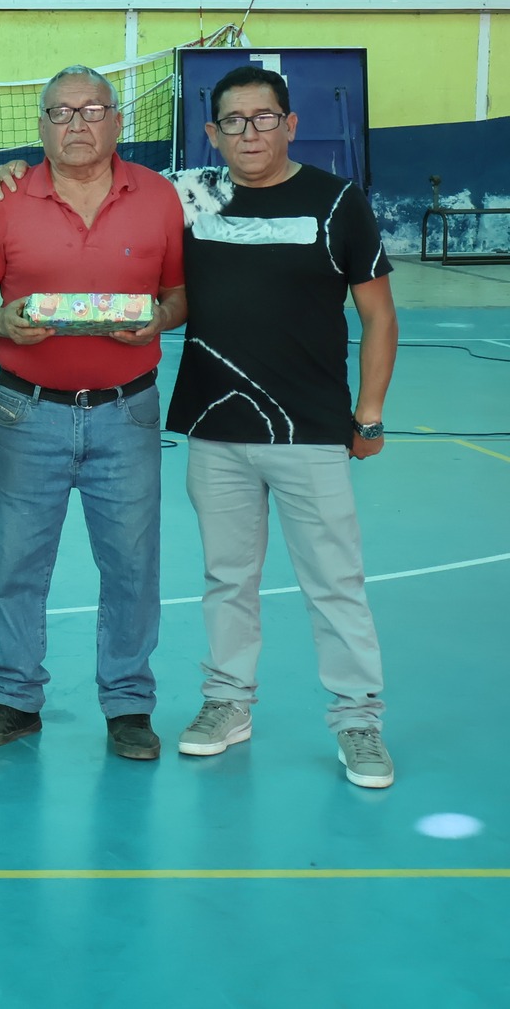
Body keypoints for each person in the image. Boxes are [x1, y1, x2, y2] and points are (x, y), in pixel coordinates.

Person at [166, 66, 398, 787]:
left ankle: (358, 718)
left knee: (335, 581)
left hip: (310, 431)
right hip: (215, 427)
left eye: (264, 118)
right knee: (226, 577)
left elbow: (380, 315)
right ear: (211, 132)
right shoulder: (190, 198)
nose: (249, 133)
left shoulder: (338, 203)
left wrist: (369, 412)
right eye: (232, 121)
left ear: (291, 124)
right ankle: (227, 703)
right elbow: (98, 182)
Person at [0, 66, 187, 763]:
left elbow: (178, 296)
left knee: (133, 564)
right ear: (41, 125)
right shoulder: (7, 199)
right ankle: (16, 696)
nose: (77, 124)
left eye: (91, 110)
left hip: (128, 412)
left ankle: (129, 703)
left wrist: (156, 322)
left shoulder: (160, 198)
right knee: (18, 561)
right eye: (60, 112)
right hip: (28, 412)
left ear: (117, 121)